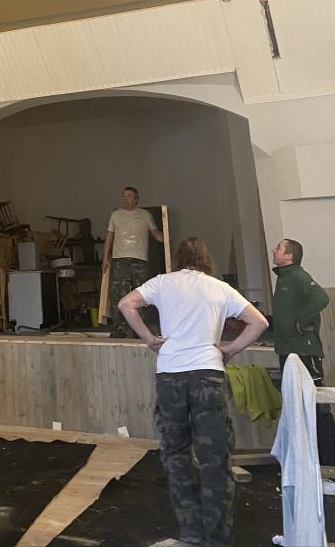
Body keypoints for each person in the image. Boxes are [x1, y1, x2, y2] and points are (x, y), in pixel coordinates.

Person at [120, 237, 268, 547]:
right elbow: (259, 322)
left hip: (170, 375)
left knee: (176, 454)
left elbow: (125, 304)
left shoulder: (162, 282)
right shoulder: (219, 287)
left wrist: (149, 338)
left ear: (178, 258)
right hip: (207, 374)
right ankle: (217, 538)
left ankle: (191, 531)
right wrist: (230, 350)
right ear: (206, 259)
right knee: (215, 458)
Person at [272, 237, 335, 466]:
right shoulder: (284, 278)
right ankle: (308, 463)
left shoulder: (297, 276)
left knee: (317, 406)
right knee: (296, 408)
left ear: (289, 256)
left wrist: (302, 321)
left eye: (279, 248)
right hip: (288, 350)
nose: (274, 250)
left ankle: (333, 462)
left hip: (304, 352)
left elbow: (320, 297)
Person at [102, 186, 164, 336]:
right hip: (120, 260)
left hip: (140, 261)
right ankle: (119, 330)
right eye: (124, 196)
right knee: (118, 295)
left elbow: (156, 234)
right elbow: (109, 236)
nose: (125, 199)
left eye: (129, 196)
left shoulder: (145, 215)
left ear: (136, 199)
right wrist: (105, 258)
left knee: (141, 295)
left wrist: (166, 237)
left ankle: (140, 332)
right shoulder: (116, 215)